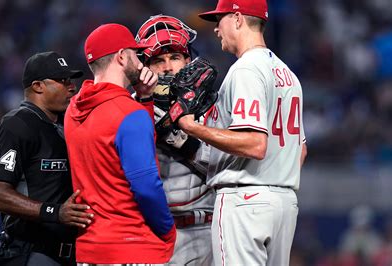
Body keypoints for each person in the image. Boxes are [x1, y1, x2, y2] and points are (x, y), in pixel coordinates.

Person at [171, 0, 308, 265]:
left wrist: (193, 127)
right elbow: (300, 150)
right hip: (284, 203)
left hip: (244, 199)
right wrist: (275, 178)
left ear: (237, 18)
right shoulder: (288, 74)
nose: (216, 29)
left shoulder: (246, 69)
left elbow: (255, 144)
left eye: (219, 20)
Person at [64, 23, 176, 265]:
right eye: (136, 55)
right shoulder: (128, 114)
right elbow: (146, 186)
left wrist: (144, 99)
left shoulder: (72, 110)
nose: (141, 62)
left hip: (90, 248)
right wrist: (167, 229)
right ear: (122, 57)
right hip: (132, 245)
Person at [0, 51, 94, 266]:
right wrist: (55, 212)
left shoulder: (67, 124)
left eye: (71, 80)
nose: (72, 86)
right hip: (29, 252)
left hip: (72, 254)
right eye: (62, 81)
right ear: (38, 86)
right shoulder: (16, 124)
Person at [136, 15, 214, 266]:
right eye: (158, 60)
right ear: (143, 66)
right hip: (155, 233)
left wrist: (177, 136)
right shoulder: (129, 108)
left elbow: (230, 168)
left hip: (208, 230)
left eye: (175, 57)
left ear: (188, 60)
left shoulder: (215, 103)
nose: (168, 67)